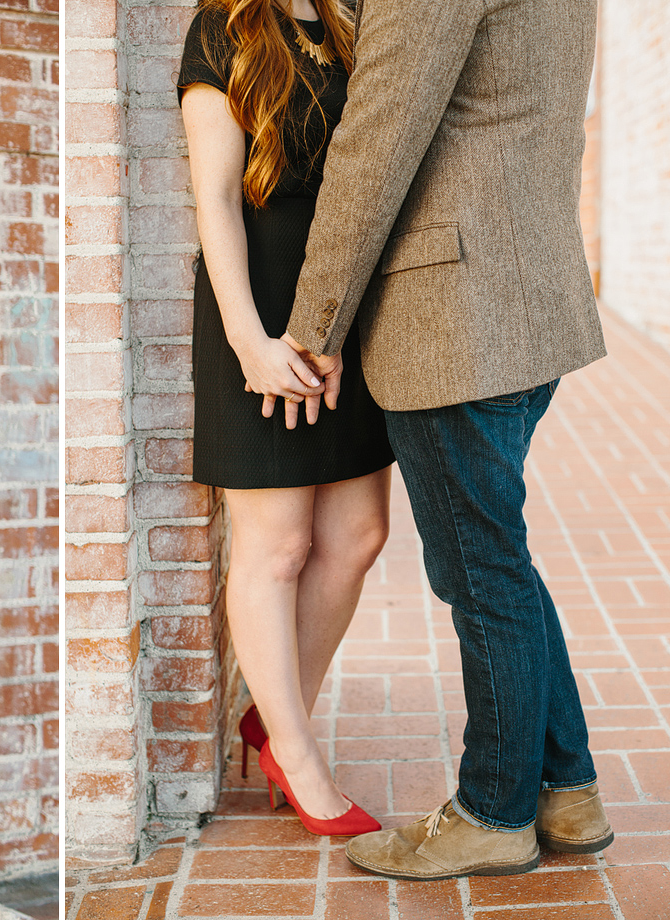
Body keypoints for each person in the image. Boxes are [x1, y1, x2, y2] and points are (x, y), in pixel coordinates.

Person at [280, 0, 610, 879]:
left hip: (454, 312)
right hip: (523, 296)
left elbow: (378, 134)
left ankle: (493, 811)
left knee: (481, 569)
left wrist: (316, 322)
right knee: (496, 557)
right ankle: (565, 789)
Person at [177, 0, 390, 837]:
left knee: (359, 533)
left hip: (339, 308)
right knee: (280, 545)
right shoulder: (222, 28)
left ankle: (275, 713)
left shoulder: (345, 25)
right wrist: (250, 342)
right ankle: (295, 753)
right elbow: (216, 197)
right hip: (258, 302)